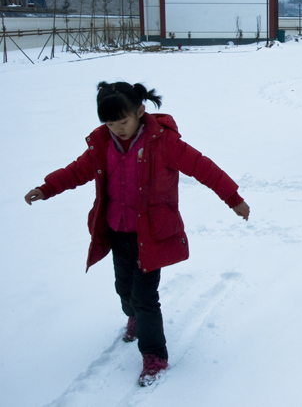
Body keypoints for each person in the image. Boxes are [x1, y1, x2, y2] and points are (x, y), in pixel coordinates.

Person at [24, 81, 250, 386]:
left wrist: (233, 199)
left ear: (140, 112)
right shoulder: (102, 144)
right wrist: (47, 187)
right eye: (109, 123)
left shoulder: (164, 142)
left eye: (123, 121)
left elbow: (203, 168)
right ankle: (133, 317)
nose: (117, 128)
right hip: (117, 230)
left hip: (152, 235)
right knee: (124, 289)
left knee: (145, 297)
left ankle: (155, 356)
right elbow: (77, 171)